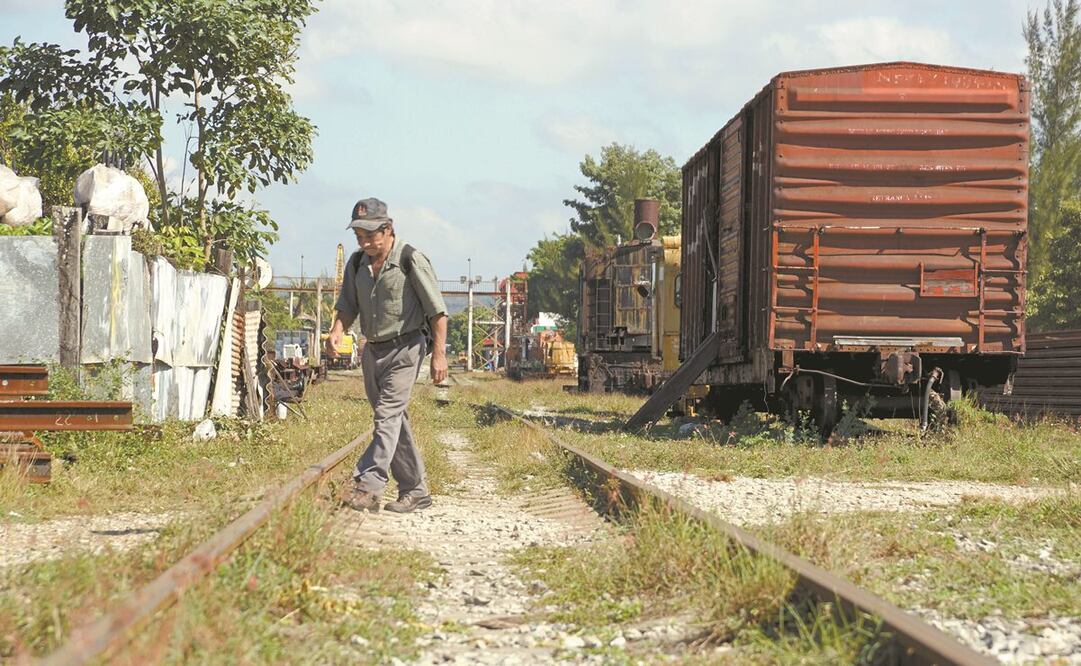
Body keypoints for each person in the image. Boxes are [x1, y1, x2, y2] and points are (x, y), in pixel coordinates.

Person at [327, 197, 448, 513]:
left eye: (370, 235)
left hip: (406, 349)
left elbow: (438, 312)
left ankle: (367, 486)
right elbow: (348, 306)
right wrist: (337, 329)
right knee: (394, 421)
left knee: (387, 416)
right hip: (373, 350)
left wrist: (439, 356)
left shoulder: (409, 259)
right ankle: (416, 491)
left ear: (388, 228)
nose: (365, 242)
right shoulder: (356, 264)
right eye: (359, 237)